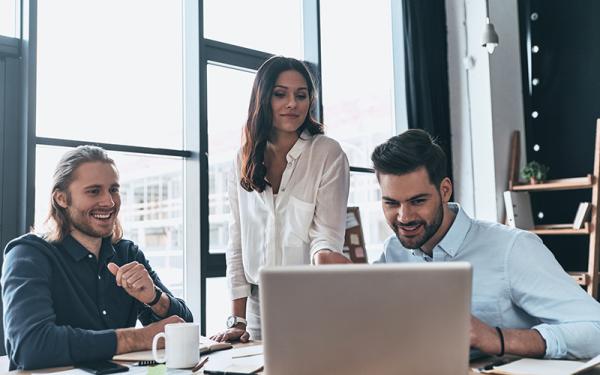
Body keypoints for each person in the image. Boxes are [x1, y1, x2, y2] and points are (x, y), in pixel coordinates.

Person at [371, 129, 600, 359]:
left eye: (417, 201)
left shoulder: (513, 249)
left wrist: (498, 338)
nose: (404, 217)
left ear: (445, 191)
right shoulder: (392, 251)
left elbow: (596, 329)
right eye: (391, 203)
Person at [1, 146, 193, 370]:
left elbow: (184, 330)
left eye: (113, 189)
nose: (109, 202)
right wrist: (138, 337)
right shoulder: (28, 254)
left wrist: (154, 299)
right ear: (61, 198)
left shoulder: (127, 253)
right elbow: (31, 347)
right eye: (94, 191)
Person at [211, 56, 351, 343]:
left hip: (311, 304)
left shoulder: (328, 153)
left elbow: (326, 238)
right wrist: (237, 321)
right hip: (257, 309)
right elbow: (237, 241)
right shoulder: (243, 157)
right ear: (263, 98)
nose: (292, 104)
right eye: (280, 94)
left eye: (301, 95)